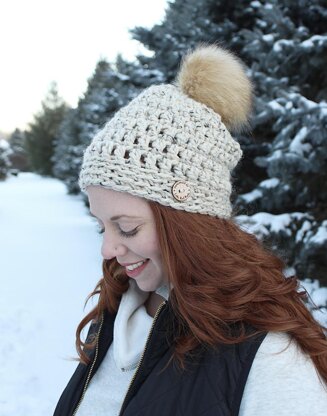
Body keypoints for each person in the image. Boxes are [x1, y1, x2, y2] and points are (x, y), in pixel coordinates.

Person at [54, 45, 327, 416]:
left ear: (188, 223)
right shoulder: (117, 309)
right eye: (101, 226)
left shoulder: (267, 355)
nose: (107, 250)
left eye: (128, 228)